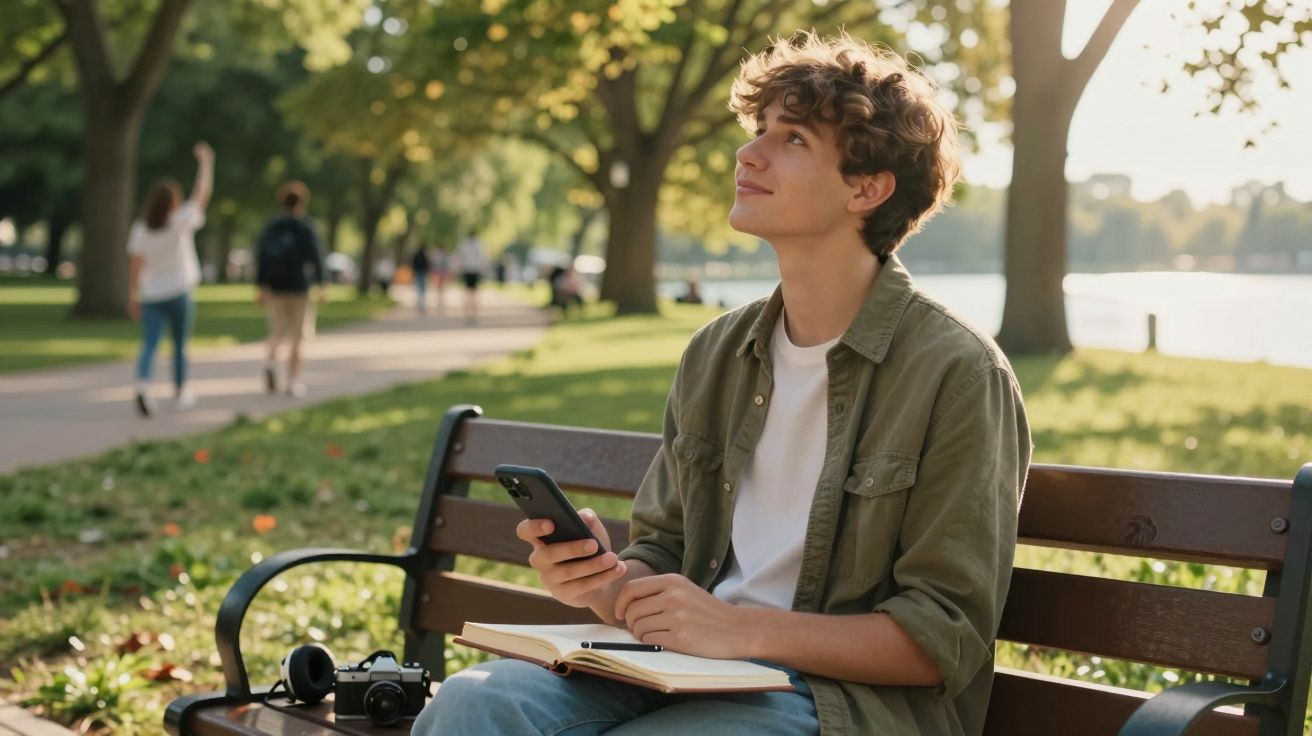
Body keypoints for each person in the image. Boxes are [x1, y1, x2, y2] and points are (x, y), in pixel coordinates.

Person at [416, 31, 1031, 736]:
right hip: (685, 665)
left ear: (867, 187)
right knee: (477, 701)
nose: (749, 153)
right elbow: (665, 552)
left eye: (793, 138)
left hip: (839, 702)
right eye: (759, 130)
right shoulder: (718, 351)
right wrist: (606, 582)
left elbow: (941, 636)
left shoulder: (958, 373)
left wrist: (738, 630)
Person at [128, 141, 213, 418]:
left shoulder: (141, 229)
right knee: (179, 345)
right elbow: (201, 194)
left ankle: (143, 384)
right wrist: (206, 163)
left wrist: (133, 293)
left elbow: (136, 264)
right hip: (179, 291)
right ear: (173, 203)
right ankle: (180, 391)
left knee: (150, 344)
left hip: (152, 293)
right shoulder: (179, 221)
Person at [255, 181, 325, 399]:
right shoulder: (305, 227)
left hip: (276, 288)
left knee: (276, 333)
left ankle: (270, 363)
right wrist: (322, 283)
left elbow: (262, 258)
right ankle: (293, 380)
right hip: (299, 288)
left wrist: (261, 285)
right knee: (298, 337)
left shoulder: (272, 227)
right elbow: (316, 257)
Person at [455, 230, 486, 324]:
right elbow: (482, 258)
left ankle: (469, 313)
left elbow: (460, 257)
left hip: (468, 270)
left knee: (468, 292)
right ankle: (473, 313)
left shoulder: (464, 244)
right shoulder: (479, 244)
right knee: (474, 292)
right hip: (474, 270)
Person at [411, 246, 431, 315]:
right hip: (423, 273)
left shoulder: (416, 256)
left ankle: (419, 299)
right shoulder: (424, 256)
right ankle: (422, 300)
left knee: (418, 286)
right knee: (423, 287)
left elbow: (413, 265)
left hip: (417, 273)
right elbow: (427, 265)